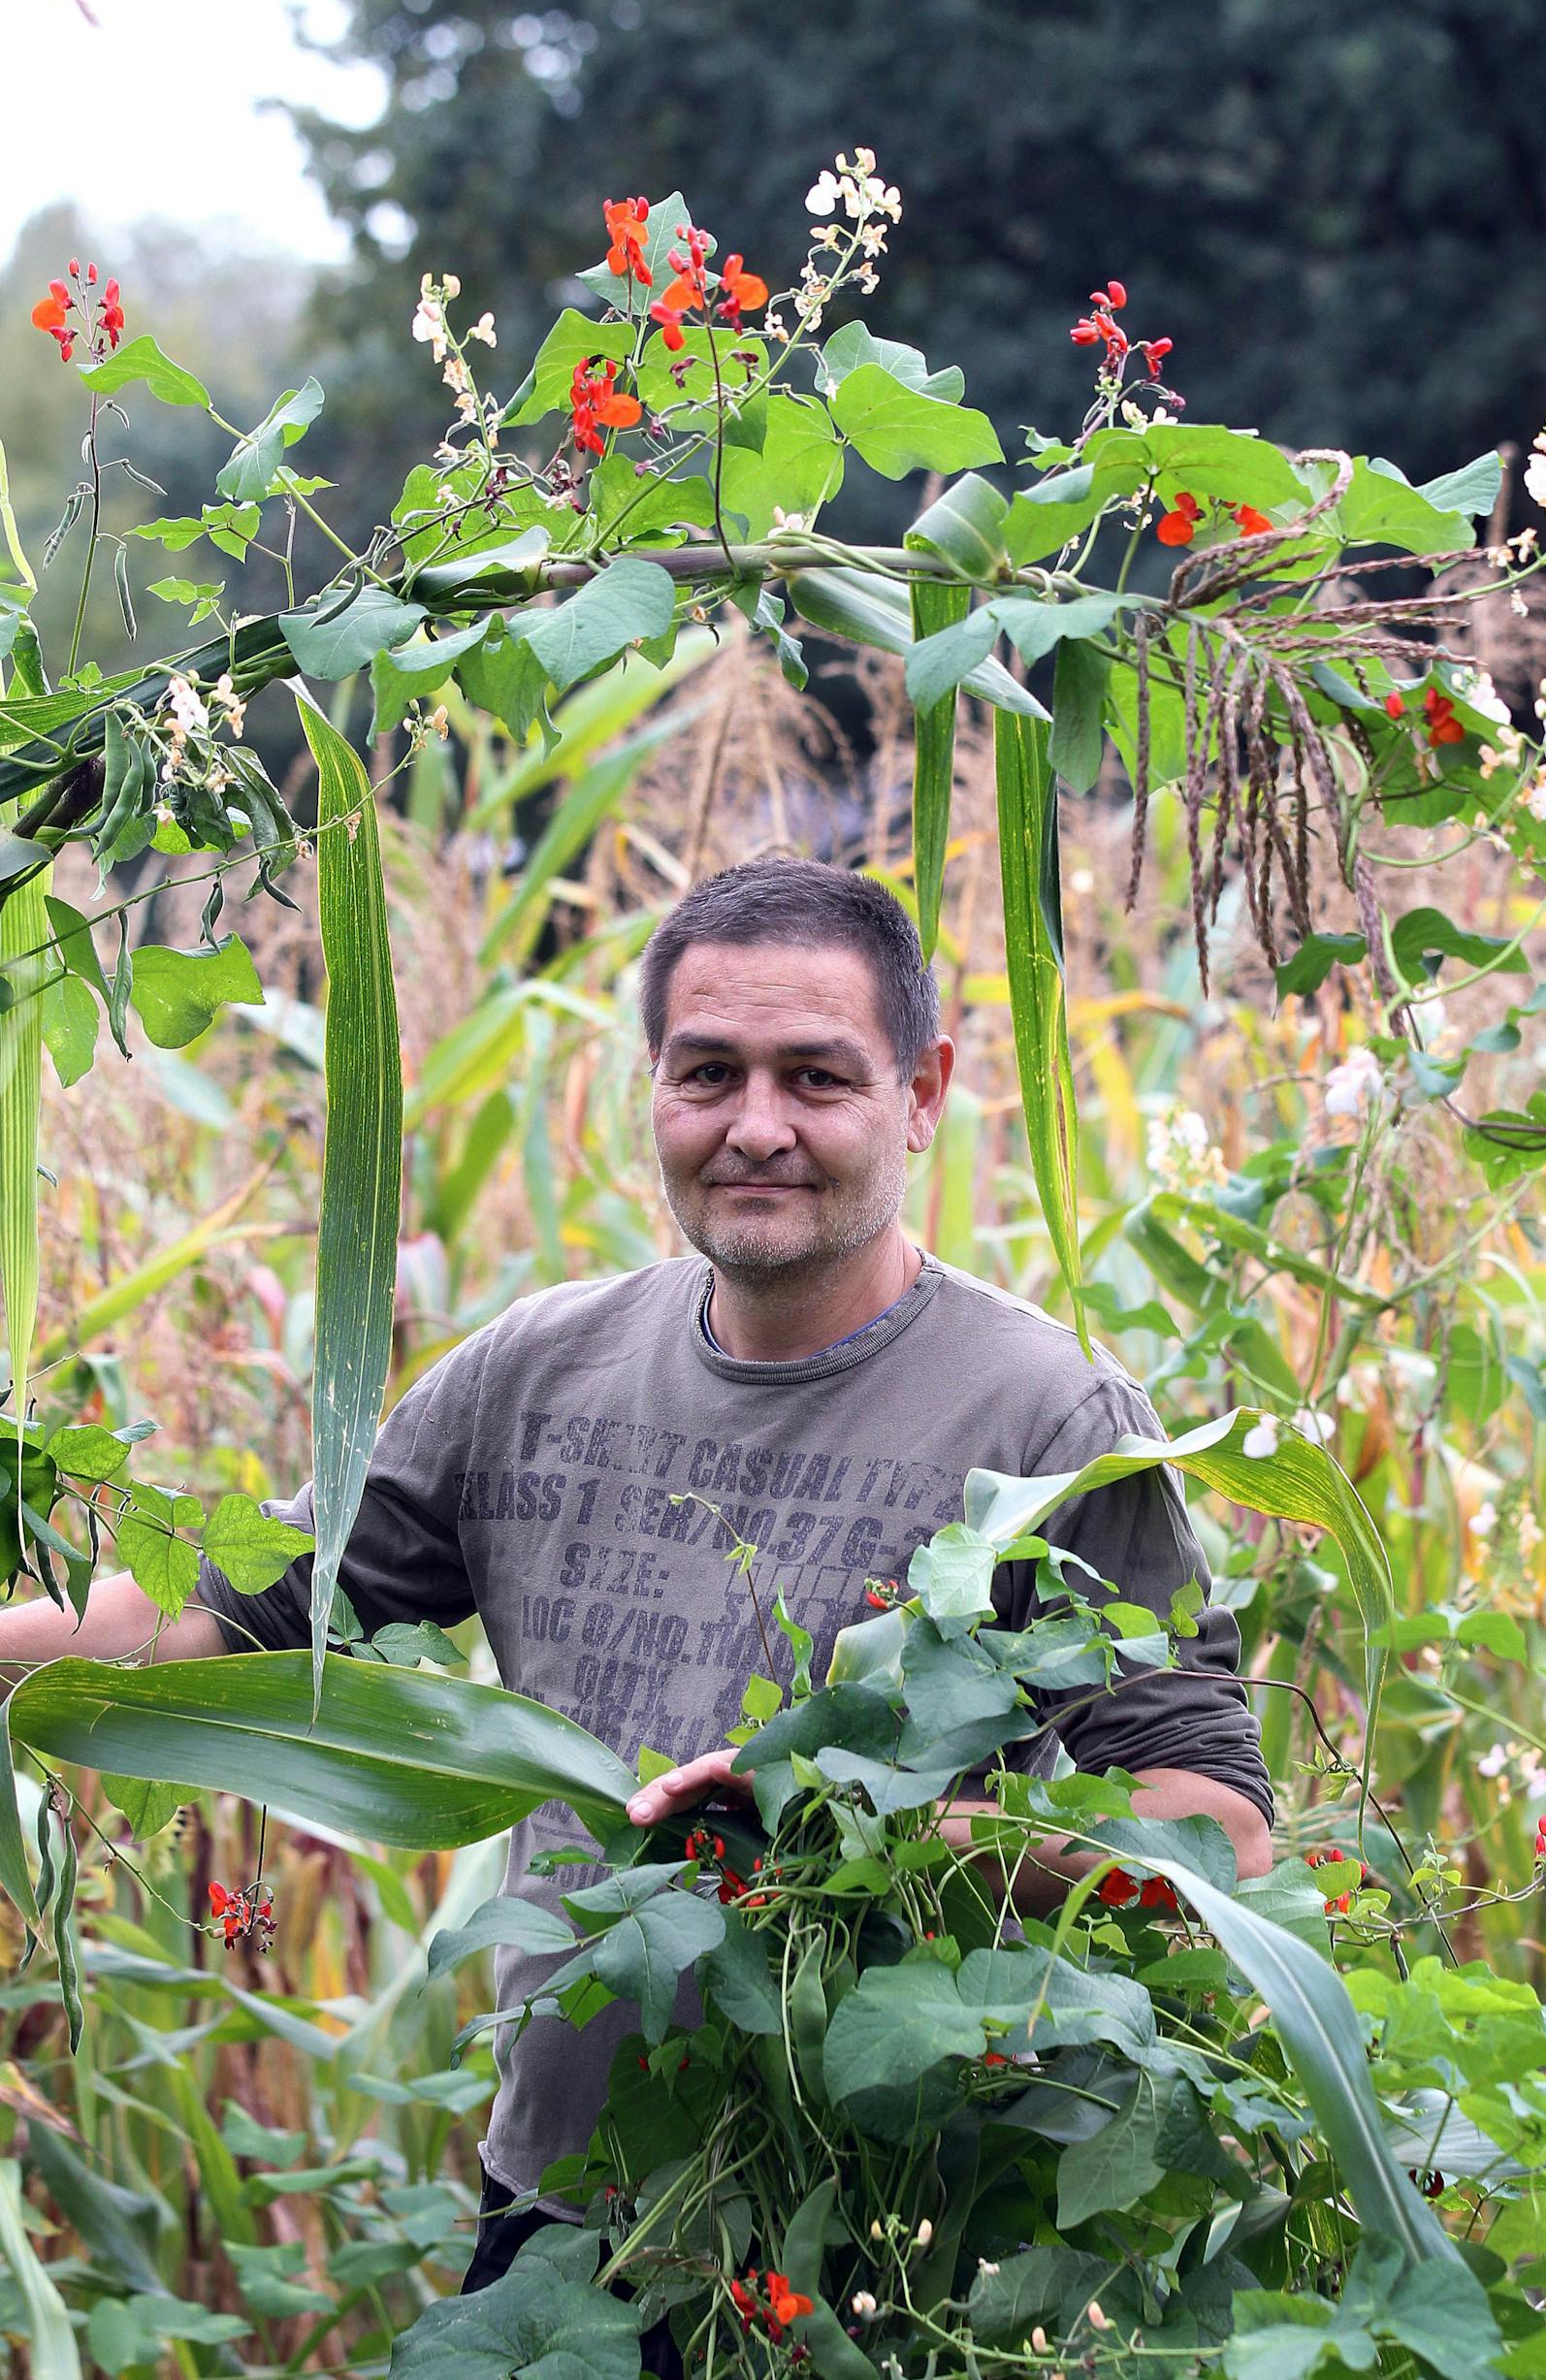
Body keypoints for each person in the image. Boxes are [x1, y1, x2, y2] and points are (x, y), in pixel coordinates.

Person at [0, 854, 1272, 2293]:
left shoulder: (1049, 1427)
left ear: (923, 1092)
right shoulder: (537, 1372)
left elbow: (1216, 1834)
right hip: (558, 2214)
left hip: (890, 2244)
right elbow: (230, 1617)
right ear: (650, 1088)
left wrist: (857, 1822)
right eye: (708, 1072)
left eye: (818, 1078)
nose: (756, 1127)